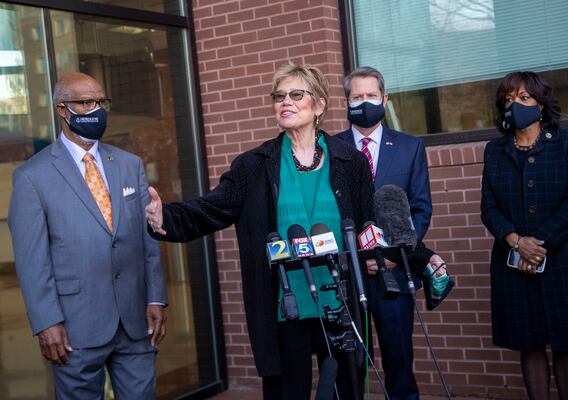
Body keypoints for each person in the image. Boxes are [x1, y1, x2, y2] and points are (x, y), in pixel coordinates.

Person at [145, 61, 445, 399]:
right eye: (279, 96)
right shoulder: (254, 165)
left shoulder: (350, 162)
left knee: (345, 389)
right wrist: (164, 218)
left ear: (318, 104)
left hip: (340, 302)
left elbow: (370, 221)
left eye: (296, 94)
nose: (285, 102)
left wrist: (422, 257)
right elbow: (214, 207)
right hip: (284, 303)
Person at [8, 72, 168, 399]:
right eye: (85, 102)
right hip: (74, 328)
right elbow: (32, 260)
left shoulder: (129, 164)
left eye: (101, 101)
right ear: (62, 110)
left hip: (134, 320)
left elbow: (147, 237)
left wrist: (155, 296)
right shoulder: (31, 177)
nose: (96, 109)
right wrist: (46, 322)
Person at [481, 71, 568, 400]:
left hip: (562, 260)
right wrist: (518, 243)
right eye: (508, 99)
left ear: (542, 103)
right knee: (529, 344)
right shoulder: (495, 151)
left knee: (565, 344)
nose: (515, 104)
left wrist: (538, 244)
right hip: (512, 262)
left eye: (524, 98)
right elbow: (488, 209)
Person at [336, 66, 435, 400]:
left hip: (395, 273)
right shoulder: (330, 148)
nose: (364, 102)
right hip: (350, 277)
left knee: (399, 362)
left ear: (385, 98)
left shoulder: (409, 147)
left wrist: (395, 254)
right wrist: (355, 259)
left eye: (371, 96)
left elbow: (421, 208)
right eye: (357, 97)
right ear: (346, 101)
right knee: (351, 366)